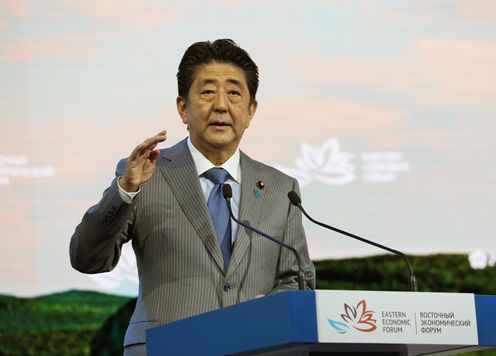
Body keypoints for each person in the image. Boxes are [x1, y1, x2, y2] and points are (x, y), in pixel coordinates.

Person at [70, 39, 315, 355]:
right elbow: (87, 258)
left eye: (234, 93)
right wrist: (125, 190)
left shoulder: (282, 189)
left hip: (258, 348)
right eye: (208, 92)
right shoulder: (146, 174)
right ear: (183, 108)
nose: (221, 105)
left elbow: (297, 282)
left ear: (251, 110)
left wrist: (269, 310)